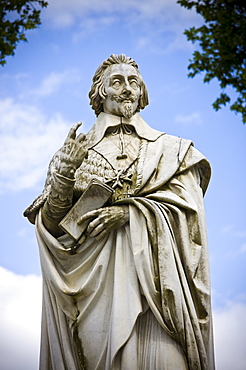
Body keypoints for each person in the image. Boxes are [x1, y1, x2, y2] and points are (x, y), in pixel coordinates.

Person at [24, 54, 215, 370]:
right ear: (100, 91)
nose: (127, 88)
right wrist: (65, 171)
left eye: (133, 82)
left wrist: (131, 214)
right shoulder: (75, 151)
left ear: (142, 93)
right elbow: (52, 229)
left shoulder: (173, 151)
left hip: (158, 297)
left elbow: (191, 218)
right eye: (117, 81)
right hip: (93, 296)